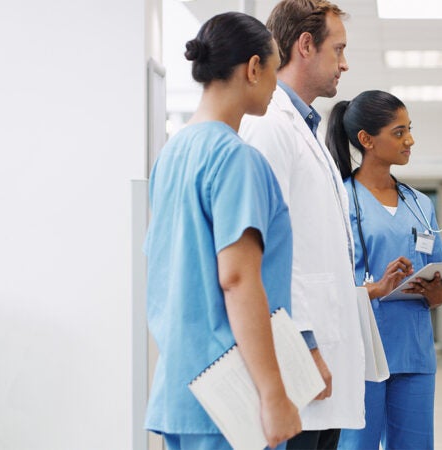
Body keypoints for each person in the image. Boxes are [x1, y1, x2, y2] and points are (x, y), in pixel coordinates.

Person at [238, 1, 399, 449]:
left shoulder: (303, 128)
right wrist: (302, 345)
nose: (345, 65)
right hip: (297, 361)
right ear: (305, 45)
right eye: (338, 50)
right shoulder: (269, 127)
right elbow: (262, 253)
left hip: (319, 360)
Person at [144, 12, 300, 450]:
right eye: (273, 71)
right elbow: (237, 279)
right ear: (253, 68)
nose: (275, 86)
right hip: (231, 395)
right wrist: (273, 393)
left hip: (181, 385)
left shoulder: (171, 156)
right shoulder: (236, 159)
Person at [327, 90, 442, 450]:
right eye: (399, 133)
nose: (409, 140)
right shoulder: (340, 200)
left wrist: (438, 292)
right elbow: (330, 283)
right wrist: (376, 288)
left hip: (413, 352)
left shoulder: (419, 203)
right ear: (367, 140)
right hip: (363, 351)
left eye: (409, 130)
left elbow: (437, 273)